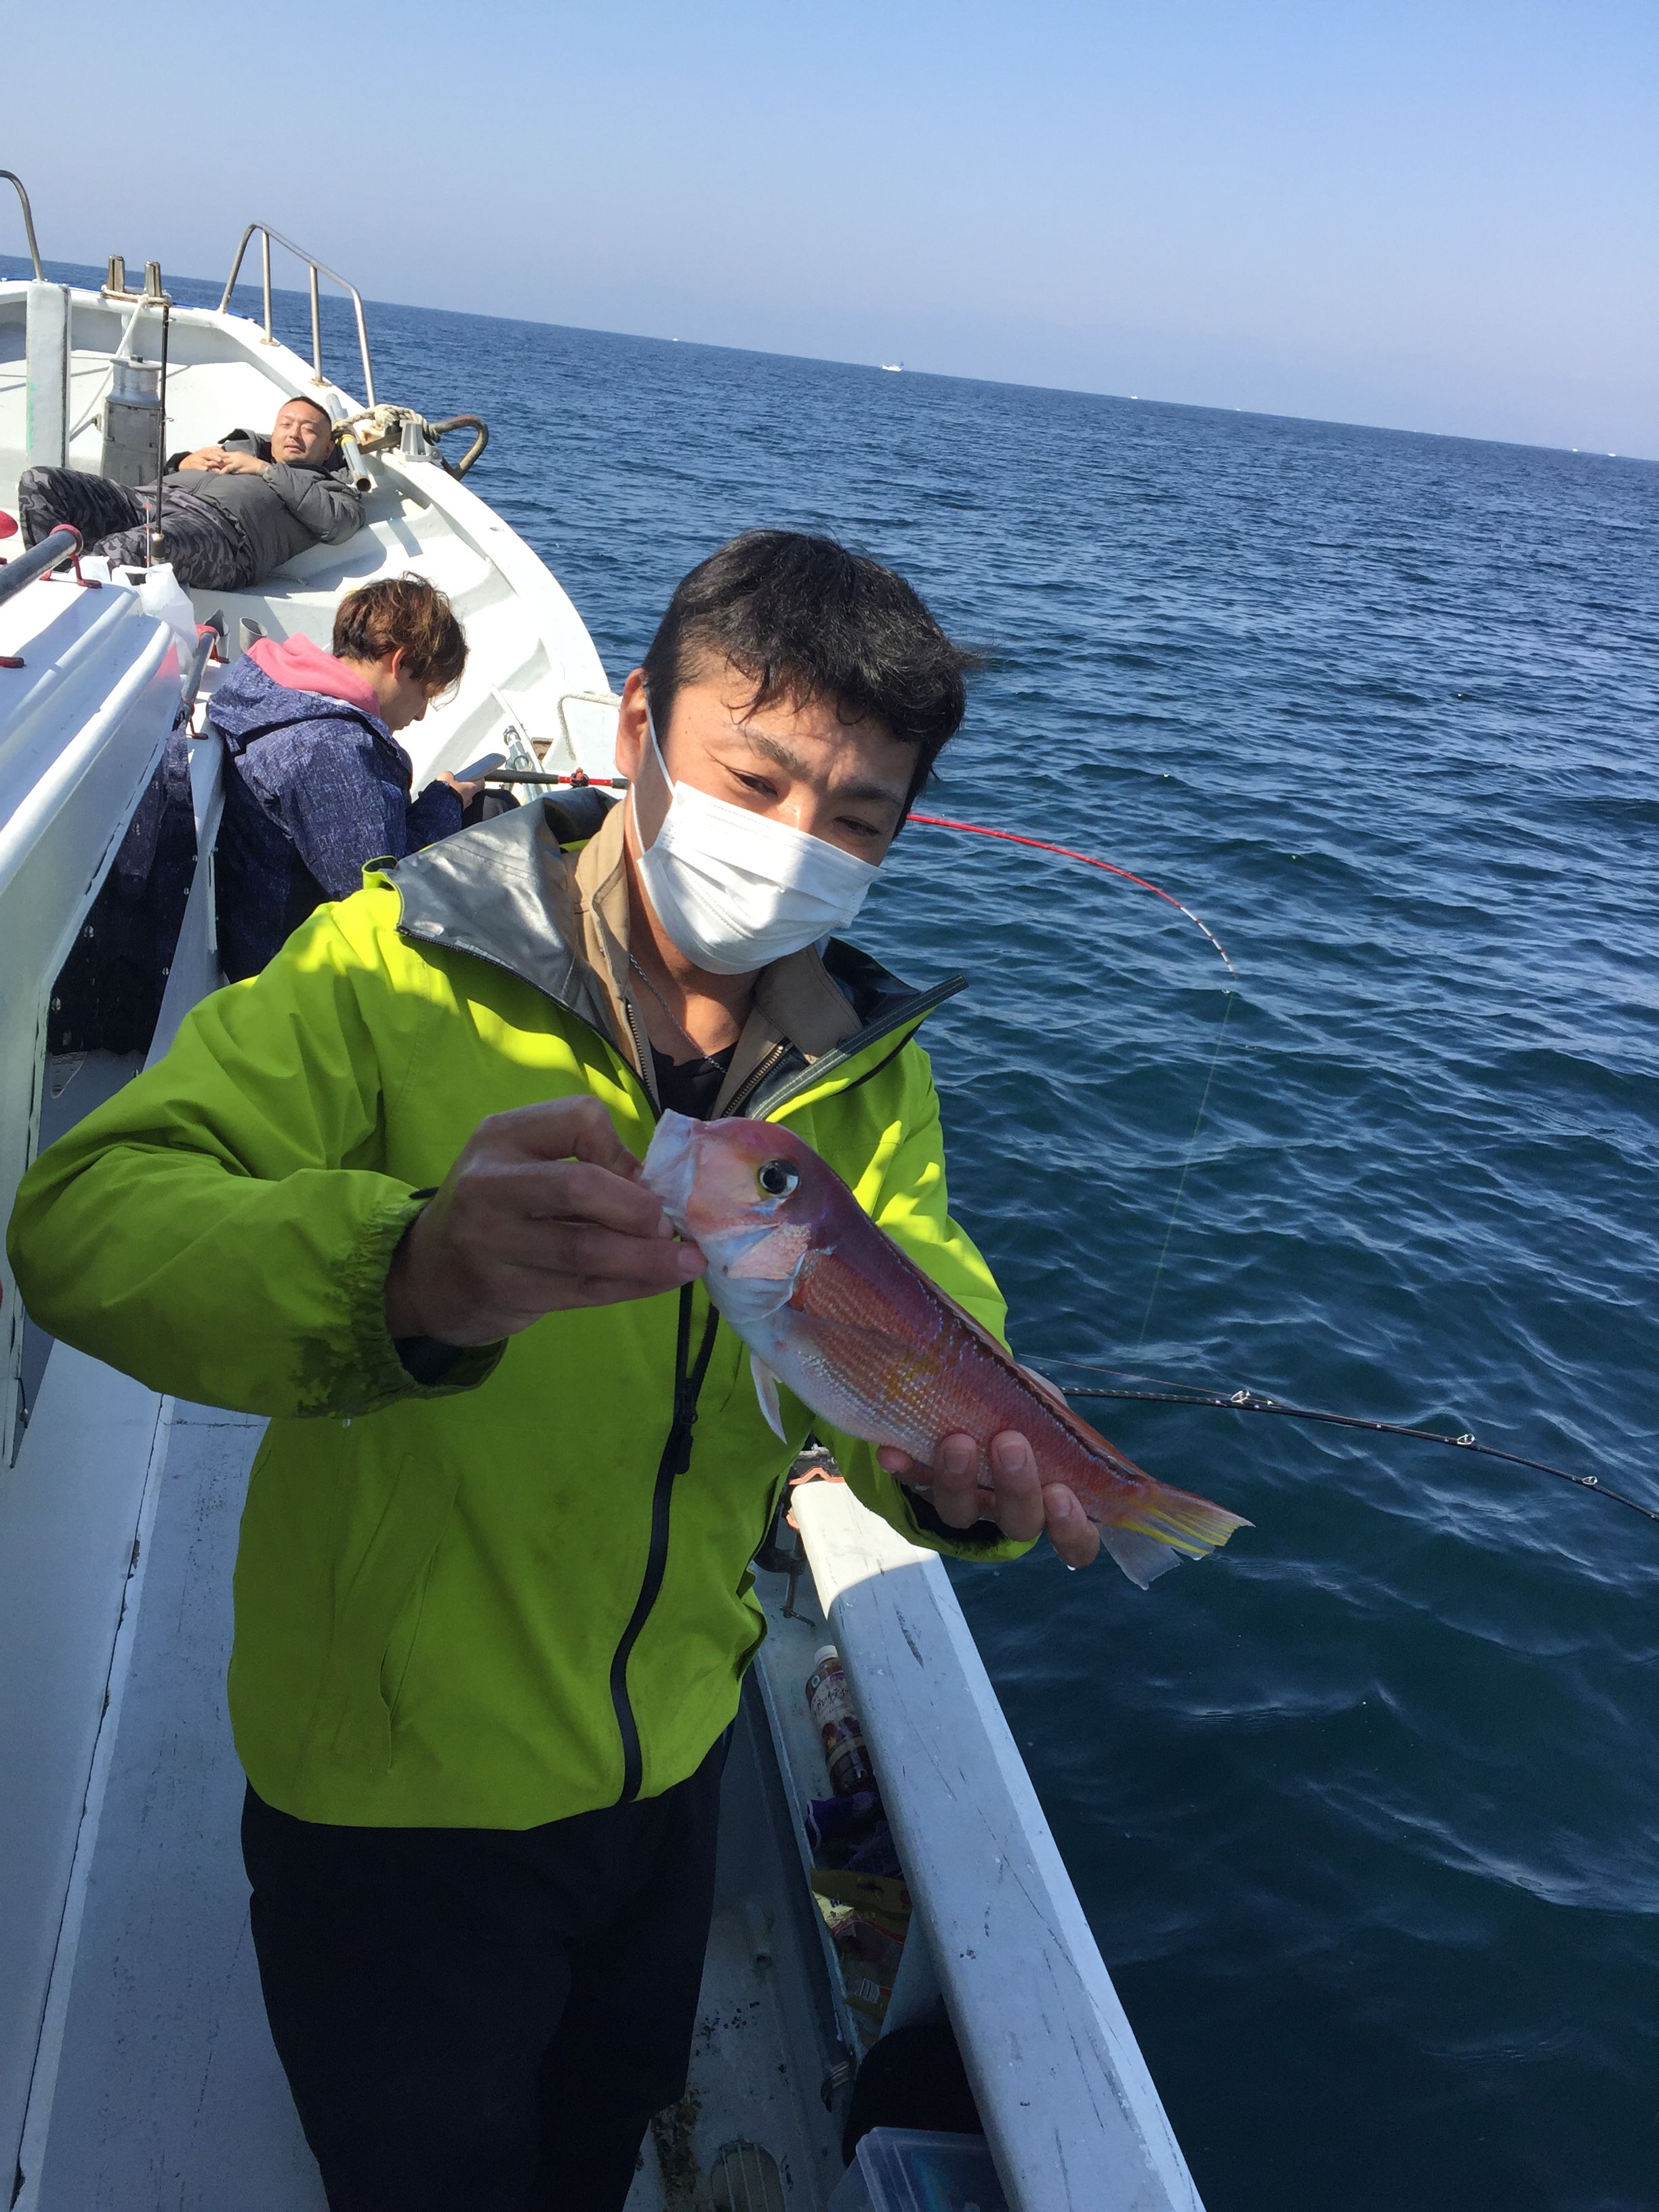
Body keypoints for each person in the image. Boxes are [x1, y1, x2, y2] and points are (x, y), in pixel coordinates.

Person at [7, 530, 1100, 2212]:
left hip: (670, 1761)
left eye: (859, 820)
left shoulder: (863, 1073)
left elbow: (926, 1317)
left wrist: (960, 1480)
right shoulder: (396, 960)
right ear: (636, 725)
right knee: (426, 2173)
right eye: (755, 778)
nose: (794, 843)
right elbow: (86, 1220)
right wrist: (405, 1269)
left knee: (597, 2135)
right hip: (390, 1783)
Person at [209, 575, 480, 981]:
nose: (422, 713)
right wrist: (444, 802)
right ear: (398, 662)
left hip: (261, 936)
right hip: (294, 974)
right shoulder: (333, 749)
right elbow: (383, 895)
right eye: (425, 692)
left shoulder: (280, 696)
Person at [17, 394, 363, 590]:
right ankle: (45, 585)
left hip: (222, 537)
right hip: (149, 501)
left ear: (327, 448)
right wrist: (182, 462)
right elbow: (166, 474)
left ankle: (68, 611)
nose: (294, 434)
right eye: (286, 424)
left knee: (130, 548)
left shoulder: (331, 487)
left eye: (309, 430)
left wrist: (264, 470)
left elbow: (338, 524)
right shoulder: (239, 449)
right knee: (42, 483)